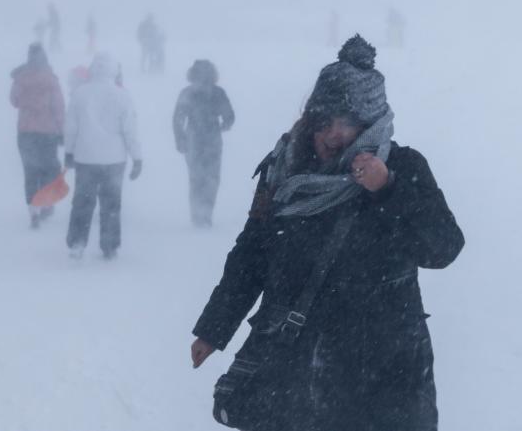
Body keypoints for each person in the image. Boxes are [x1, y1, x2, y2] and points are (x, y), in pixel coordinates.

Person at [190, 35, 464, 431]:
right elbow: (251, 254)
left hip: (381, 369)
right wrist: (215, 328)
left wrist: (388, 189)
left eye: (348, 123)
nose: (333, 134)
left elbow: (444, 247)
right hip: (296, 362)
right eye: (324, 120)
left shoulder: (403, 167)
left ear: (370, 124)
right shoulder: (282, 170)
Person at [64, 53, 142, 260]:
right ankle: (109, 245)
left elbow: (71, 127)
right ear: (114, 71)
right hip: (114, 159)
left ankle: (77, 243)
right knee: (111, 204)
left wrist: (69, 152)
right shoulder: (122, 96)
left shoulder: (80, 94)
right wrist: (137, 158)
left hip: (85, 157)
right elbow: (130, 131)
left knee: (82, 201)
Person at [173, 60, 234, 227]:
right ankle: (206, 214)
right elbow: (229, 115)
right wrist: (225, 124)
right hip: (213, 137)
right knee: (211, 178)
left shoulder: (187, 93)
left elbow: (178, 118)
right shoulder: (218, 92)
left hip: (193, 138)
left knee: (196, 178)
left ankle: (197, 214)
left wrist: (180, 138)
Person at [10, 43, 66, 229]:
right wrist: (61, 130)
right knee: (48, 169)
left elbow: (14, 101)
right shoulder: (51, 78)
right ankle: (46, 204)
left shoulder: (21, 76)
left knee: (30, 171)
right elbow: (58, 108)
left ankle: (33, 211)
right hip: (47, 132)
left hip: (25, 132)